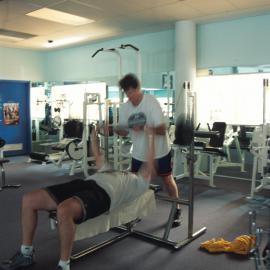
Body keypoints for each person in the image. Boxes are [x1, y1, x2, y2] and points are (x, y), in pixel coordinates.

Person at [0, 127, 156, 270]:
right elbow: (97, 154)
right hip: (84, 184)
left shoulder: (141, 183)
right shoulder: (112, 170)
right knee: (28, 199)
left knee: (64, 210)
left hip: (104, 195)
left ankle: (63, 264)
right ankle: (26, 253)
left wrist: (151, 137)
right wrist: (94, 133)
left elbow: (149, 162)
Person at [116, 73, 181, 227]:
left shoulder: (151, 102)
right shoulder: (125, 108)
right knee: (136, 184)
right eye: (127, 93)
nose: (130, 96)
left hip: (160, 151)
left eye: (132, 92)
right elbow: (124, 132)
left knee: (167, 180)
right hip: (139, 152)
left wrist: (145, 128)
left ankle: (176, 208)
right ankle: (135, 213)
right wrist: (114, 130)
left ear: (138, 88)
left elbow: (162, 129)